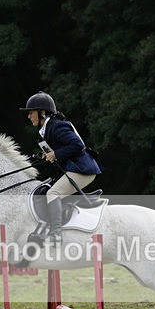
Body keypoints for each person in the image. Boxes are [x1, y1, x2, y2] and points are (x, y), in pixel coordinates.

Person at [20, 91, 101, 244]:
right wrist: (47, 156)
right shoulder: (47, 129)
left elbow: (78, 145)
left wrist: (56, 154)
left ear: (42, 113)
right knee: (46, 189)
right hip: (74, 168)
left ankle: (56, 234)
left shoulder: (57, 126)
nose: (29, 116)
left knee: (53, 193)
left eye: (31, 113)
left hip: (83, 169)